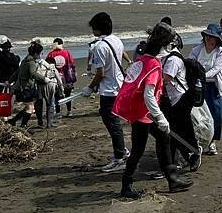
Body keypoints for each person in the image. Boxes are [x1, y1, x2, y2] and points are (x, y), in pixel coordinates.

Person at [112, 22, 193, 199]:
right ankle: (126, 185)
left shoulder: (141, 59)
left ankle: (172, 180)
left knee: (164, 139)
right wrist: (161, 118)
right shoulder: (154, 65)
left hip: (142, 112)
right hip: (143, 114)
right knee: (138, 150)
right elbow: (149, 95)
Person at [81, 12, 129, 172]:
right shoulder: (116, 40)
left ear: (98, 29)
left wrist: (90, 87)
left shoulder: (100, 47)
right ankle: (121, 152)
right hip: (118, 85)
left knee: (112, 122)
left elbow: (100, 73)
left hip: (109, 90)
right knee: (112, 120)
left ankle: (120, 156)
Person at [160, 42, 202, 173]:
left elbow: (164, 79)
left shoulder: (172, 59)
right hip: (172, 99)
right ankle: (173, 161)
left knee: (184, 130)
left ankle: (194, 154)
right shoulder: (165, 57)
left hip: (181, 99)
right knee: (172, 132)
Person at [189, 24, 222, 155]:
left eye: (212, 37)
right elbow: (190, 63)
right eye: (207, 36)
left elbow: (216, 69)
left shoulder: (221, 52)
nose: (209, 39)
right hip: (197, 86)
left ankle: (212, 142)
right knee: (199, 116)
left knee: (216, 113)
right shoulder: (197, 49)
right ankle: (199, 140)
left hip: (213, 87)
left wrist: (202, 75)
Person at [8, 41, 48, 127]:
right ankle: (23, 125)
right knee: (30, 108)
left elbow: (17, 72)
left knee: (30, 106)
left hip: (22, 87)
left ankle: (13, 120)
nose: (40, 55)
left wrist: (9, 81)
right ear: (36, 53)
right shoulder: (31, 62)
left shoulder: (24, 60)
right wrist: (44, 79)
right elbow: (33, 73)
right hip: (27, 88)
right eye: (39, 54)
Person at [47, 38, 76, 117]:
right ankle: (69, 111)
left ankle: (58, 112)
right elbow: (72, 64)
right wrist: (73, 77)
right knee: (68, 95)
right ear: (62, 44)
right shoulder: (67, 53)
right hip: (66, 78)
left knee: (57, 95)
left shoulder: (51, 54)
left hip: (55, 78)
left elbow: (48, 65)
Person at [36, 56, 64, 128]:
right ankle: (49, 123)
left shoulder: (38, 66)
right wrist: (62, 91)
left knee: (39, 104)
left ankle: (40, 122)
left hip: (39, 85)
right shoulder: (52, 68)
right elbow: (59, 81)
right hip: (50, 85)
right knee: (50, 104)